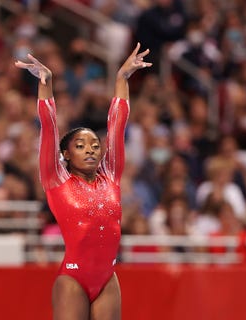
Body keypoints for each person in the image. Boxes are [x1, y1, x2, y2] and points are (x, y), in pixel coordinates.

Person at [16, 43, 151, 320]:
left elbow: (117, 124)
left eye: (93, 144)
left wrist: (121, 79)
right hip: (73, 280)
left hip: (108, 280)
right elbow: (49, 126)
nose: (90, 149)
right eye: (80, 145)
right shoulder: (56, 180)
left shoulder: (111, 174)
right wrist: (47, 86)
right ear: (66, 154)